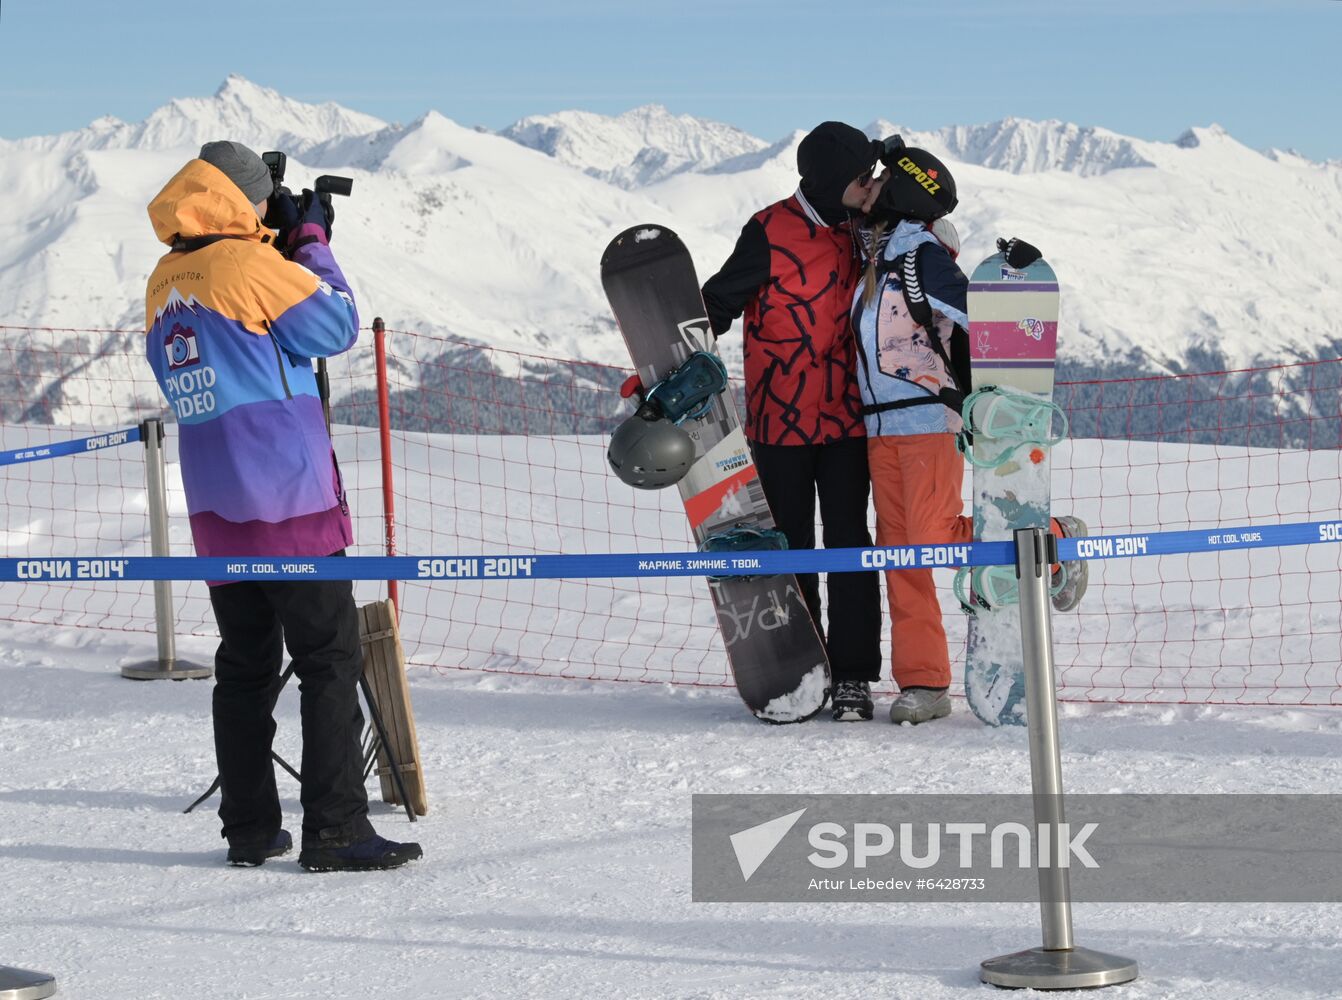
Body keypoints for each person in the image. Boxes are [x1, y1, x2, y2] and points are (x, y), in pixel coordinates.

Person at [144, 140, 421, 871]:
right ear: (244, 198)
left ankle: (251, 829)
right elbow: (332, 325)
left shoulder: (167, 277)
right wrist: (312, 242)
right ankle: (335, 828)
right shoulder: (247, 264)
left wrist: (276, 239)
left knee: (244, 668)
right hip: (290, 501)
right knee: (329, 661)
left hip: (216, 504)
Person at [850, 143, 1084, 724]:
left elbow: (984, 316)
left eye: (882, 181)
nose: (871, 188)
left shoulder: (920, 258)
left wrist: (1012, 285)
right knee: (900, 557)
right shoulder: (875, 257)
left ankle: (1053, 539)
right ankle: (924, 684)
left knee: (932, 533)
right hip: (881, 428)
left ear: (903, 196)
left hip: (929, 421)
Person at [702, 122, 883, 721]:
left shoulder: (865, 232)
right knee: (791, 550)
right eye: (864, 175)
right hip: (780, 424)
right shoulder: (769, 231)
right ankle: (807, 668)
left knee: (851, 547)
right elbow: (716, 305)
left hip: (848, 420)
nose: (871, 184)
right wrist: (676, 366)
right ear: (837, 181)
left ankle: (854, 675)